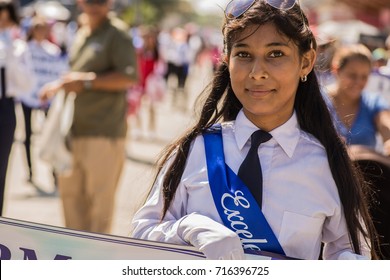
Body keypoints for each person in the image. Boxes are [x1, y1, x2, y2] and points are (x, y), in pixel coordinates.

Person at [131, 0, 379, 260]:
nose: (257, 72)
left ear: (306, 62)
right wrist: (189, 228)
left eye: (276, 54)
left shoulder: (328, 163)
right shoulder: (196, 149)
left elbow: (352, 251)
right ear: (227, 61)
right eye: (243, 54)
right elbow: (143, 233)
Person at [39, 0, 137, 234]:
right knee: (71, 204)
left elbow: (128, 78)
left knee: (99, 211)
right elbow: (75, 76)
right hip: (72, 132)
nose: (95, 5)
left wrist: (85, 81)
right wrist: (60, 84)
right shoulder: (82, 32)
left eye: (100, 0)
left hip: (103, 134)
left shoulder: (117, 34)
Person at [18, 16, 68, 187]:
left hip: (47, 98)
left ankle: (54, 174)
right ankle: (31, 172)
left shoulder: (52, 51)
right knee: (28, 134)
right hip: (27, 97)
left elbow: (58, 71)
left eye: (43, 29)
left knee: (51, 133)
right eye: (37, 29)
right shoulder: (25, 49)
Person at [0, 0, 35, 215]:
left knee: (2, 167)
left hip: (5, 107)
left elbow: (27, 84)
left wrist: (12, 60)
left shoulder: (19, 47)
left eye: (6, 18)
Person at [326, 44, 390, 155]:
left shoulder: (373, 103)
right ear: (336, 70)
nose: (358, 82)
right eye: (352, 75)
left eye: (364, 77)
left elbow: (385, 124)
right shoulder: (319, 101)